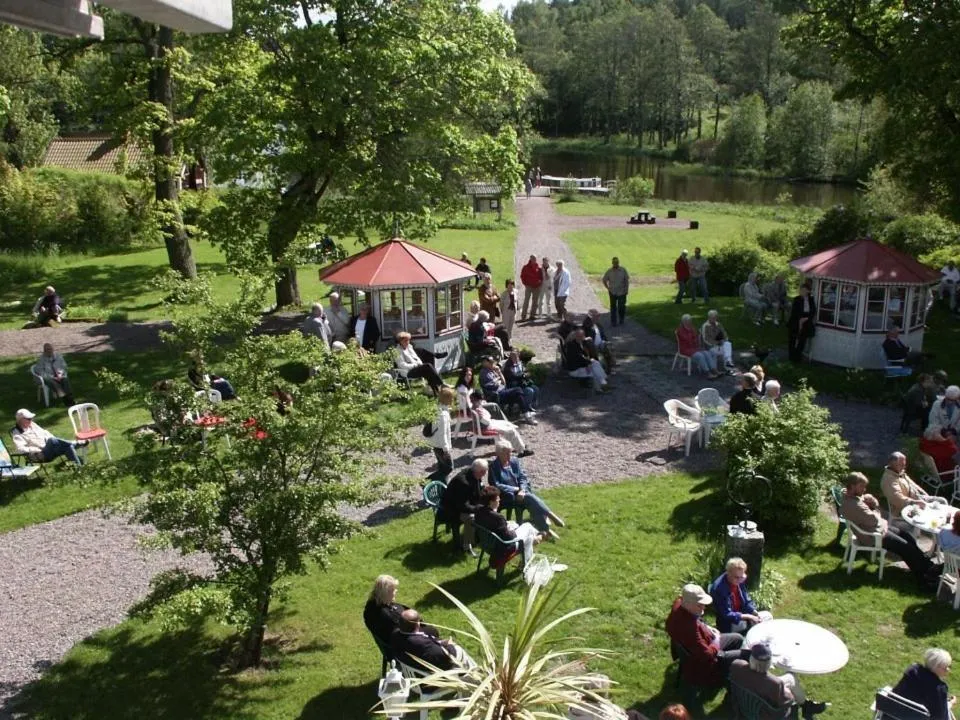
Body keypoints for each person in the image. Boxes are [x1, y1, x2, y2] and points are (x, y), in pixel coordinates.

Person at [842, 471, 940, 588]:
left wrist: (874, 506)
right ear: (852, 486)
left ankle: (928, 566)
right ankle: (923, 580)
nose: (864, 489)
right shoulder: (854, 505)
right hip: (873, 536)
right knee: (906, 548)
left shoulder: (851, 496)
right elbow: (875, 519)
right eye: (861, 486)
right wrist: (877, 511)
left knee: (907, 536)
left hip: (876, 529)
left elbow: (874, 515)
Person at [665, 583, 749, 687]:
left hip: (701, 645)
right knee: (745, 653)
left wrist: (706, 627)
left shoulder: (679, 603)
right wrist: (717, 640)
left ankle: (726, 667)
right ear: (689, 604)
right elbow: (707, 654)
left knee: (738, 638)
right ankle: (725, 673)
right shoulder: (690, 628)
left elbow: (694, 620)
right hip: (705, 658)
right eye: (700, 604)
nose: (704, 607)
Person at [729, 643, 828, 720]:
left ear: (751, 658)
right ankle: (806, 706)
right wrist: (787, 692)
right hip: (764, 715)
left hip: (743, 705)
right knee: (791, 679)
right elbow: (788, 701)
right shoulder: (775, 683)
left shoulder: (737, 665)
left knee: (790, 678)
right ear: (769, 663)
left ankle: (807, 705)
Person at [488, 441, 563, 538]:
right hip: (507, 495)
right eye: (507, 453)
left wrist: (522, 490)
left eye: (510, 452)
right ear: (499, 453)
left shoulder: (514, 461)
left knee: (531, 502)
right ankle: (550, 516)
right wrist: (516, 489)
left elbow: (523, 477)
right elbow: (496, 484)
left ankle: (546, 529)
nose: (510, 455)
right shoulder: (494, 467)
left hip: (522, 493)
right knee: (530, 499)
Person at [391, 609, 472, 684]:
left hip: (413, 672)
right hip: (428, 679)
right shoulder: (422, 644)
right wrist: (451, 646)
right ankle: (472, 676)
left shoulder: (395, 635)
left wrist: (439, 642)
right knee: (458, 650)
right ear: (418, 624)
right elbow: (445, 657)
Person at [473, 485, 544, 563]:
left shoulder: (478, 509)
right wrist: (510, 529)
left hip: (485, 544)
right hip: (503, 547)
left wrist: (506, 524)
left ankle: (536, 537)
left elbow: (492, 523)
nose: (499, 499)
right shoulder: (498, 517)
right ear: (491, 502)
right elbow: (510, 537)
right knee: (528, 527)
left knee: (524, 532)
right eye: (497, 498)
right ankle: (538, 537)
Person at [363, 574, 438, 645]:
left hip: (394, 636)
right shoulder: (386, 615)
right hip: (403, 642)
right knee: (433, 631)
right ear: (386, 593)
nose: (396, 591)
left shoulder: (372, 604)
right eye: (393, 590)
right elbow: (404, 631)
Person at [708, 557, 772, 634]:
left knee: (767, 616)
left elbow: (746, 601)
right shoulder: (719, 589)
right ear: (728, 572)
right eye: (737, 577)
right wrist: (749, 617)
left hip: (743, 615)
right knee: (750, 626)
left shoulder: (739, 579)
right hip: (730, 623)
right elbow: (726, 614)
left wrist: (755, 613)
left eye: (741, 576)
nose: (740, 580)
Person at [881, 451, 945, 524]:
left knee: (942, 501)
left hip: (919, 498)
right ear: (891, 464)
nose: (903, 467)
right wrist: (913, 502)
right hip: (907, 506)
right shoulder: (889, 479)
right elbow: (897, 498)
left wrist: (926, 496)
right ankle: (935, 529)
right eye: (901, 465)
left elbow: (915, 486)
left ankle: (939, 527)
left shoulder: (900, 473)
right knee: (934, 512)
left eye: (904, 465)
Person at [891, 648, 955, 720]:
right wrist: (949, 704)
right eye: (946, 667)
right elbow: (941, 717)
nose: (948, 670)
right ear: (936, 667)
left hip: (892, 713)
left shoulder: (912, 672)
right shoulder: (939, 688)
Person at [441, 458, 487, 554]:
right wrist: (477, 509)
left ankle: (479, 537)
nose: (485, 474)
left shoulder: (473, 473)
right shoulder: (463, 482)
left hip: (463, 504)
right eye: (483, 472)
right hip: (452, 509)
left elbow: (477, 490)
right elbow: (462, 506)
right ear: (478, 471)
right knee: (471, 517)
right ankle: (467, 545)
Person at [11, 408, 84, 466]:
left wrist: (55, 441)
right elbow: (20, 449)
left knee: (67, 447)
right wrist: (35, 449)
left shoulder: (32, 424)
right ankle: (74, 443)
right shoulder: (17, 433)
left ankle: (80, 467)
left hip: (50, 449)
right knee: (52, 440)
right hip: (40, 454)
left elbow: (45, 432)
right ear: (20, 420)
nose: (31, 420)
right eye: (28, 419)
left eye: (31, 418)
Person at [479, 355, 537, 424]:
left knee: (519, 394)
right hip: (496, 395)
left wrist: (499, 372)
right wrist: (498, 380)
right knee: (517, 390)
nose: (493, 363)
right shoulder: (484, 373)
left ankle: (526, 413)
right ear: (485, 363)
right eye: (490, 361)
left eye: (493, 361)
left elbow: (504, 382)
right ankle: (526, 414)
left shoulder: (493, 371)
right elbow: (494, 385)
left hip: (503, 391)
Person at [469, 391, 530, 455]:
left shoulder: (475, 407)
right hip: (487, 427)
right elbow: (485, 421)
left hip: (487, 424)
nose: (481, 402)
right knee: (510, 430)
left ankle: (519, 445)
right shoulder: (478, 411)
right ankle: (521, 451)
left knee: (507, 424)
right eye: (480, 400)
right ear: (477, 400)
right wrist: (486, 416)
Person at [426, 388, 455, 482]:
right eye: (452, 398)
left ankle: (441, 485)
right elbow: (443, 433)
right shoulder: (443, 415)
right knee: (449, 468)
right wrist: (446, 449)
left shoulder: (437, 409)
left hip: (435, 443)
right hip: (440, 445)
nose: (453, 400)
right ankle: (426, 481)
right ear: (448, 399)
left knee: (442, 467)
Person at [787, 281, 816, 362]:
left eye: (803, 290)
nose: (801, 292)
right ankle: (791, 357)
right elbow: (795, 312)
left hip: (806, 320)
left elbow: (813, 311)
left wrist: (806, 319)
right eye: (801, 290)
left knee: (802, 340)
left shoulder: (811, 299)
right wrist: (800, 320)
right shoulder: (797, 299)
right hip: (796, 320)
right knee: (792, 339)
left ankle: (798, 357)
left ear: (808, 291)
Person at [602, 257, 629, 327]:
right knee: (613, 307)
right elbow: (604, 280)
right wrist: (608, 288)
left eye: (616, 262)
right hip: (612, 292)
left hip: (622, 292)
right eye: (614, 263)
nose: (615, 264)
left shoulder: (623, 270)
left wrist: (626, 289)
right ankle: (613, 322)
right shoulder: (609, 271)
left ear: (618, 263)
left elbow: (626, 280)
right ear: (612, 263)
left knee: (621, 307)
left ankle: (621, 319)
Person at [520, 254, 544, 322]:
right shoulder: (525, 267)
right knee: (526, 301)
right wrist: (525, 284)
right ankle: (523, 316)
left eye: (535, 259)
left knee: (535, 301)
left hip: (537, 287)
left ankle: (532, 315)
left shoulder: (538, 267)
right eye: (533, 258)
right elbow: (522, 276)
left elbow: (541, 277)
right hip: (529, 286)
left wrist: (540, 283)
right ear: (530, 259)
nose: (534, 260)